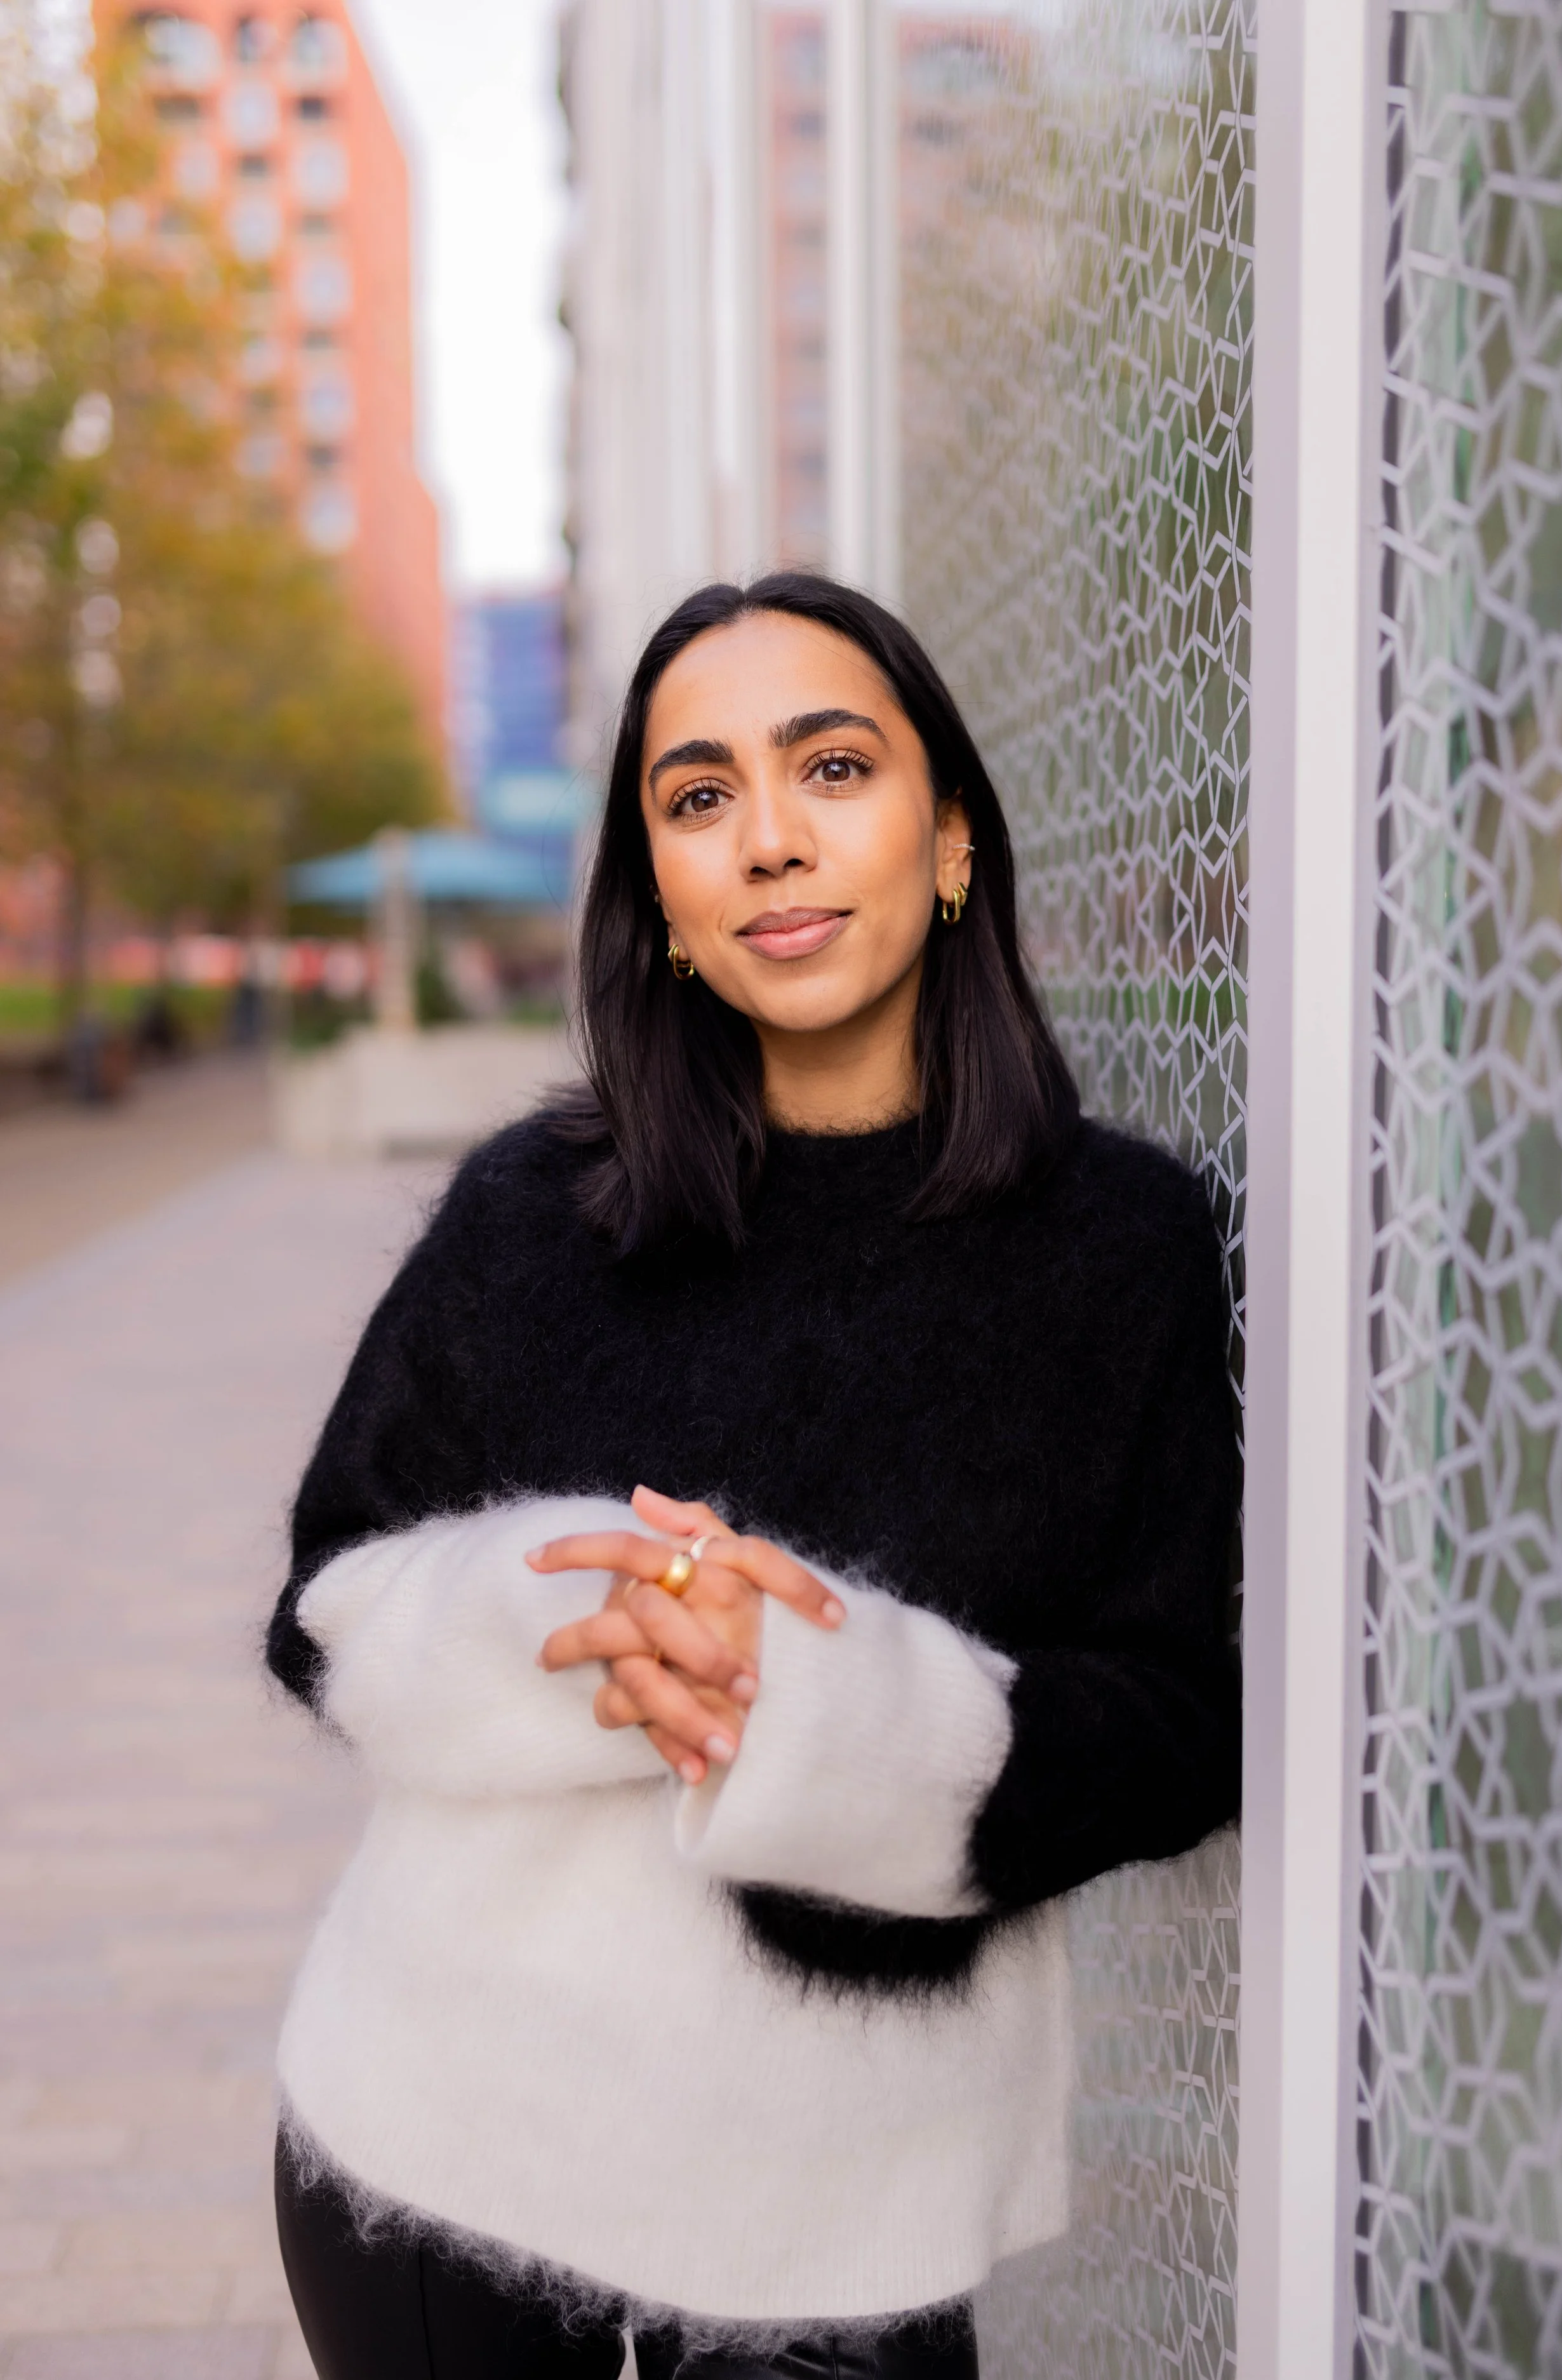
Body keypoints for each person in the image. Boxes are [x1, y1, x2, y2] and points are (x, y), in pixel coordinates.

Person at [266, 573, 1241, 2380]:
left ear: (952, 837)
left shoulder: (1121, 1246)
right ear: (661, 896)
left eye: (834, 768)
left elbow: (1182, 1715)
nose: (770, 839)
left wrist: (824, 1705)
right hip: (442, 2148)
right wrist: (586, 1608)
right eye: (700, 796)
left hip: (841, 2228)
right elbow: (326, 1600)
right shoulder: (531, 1210)